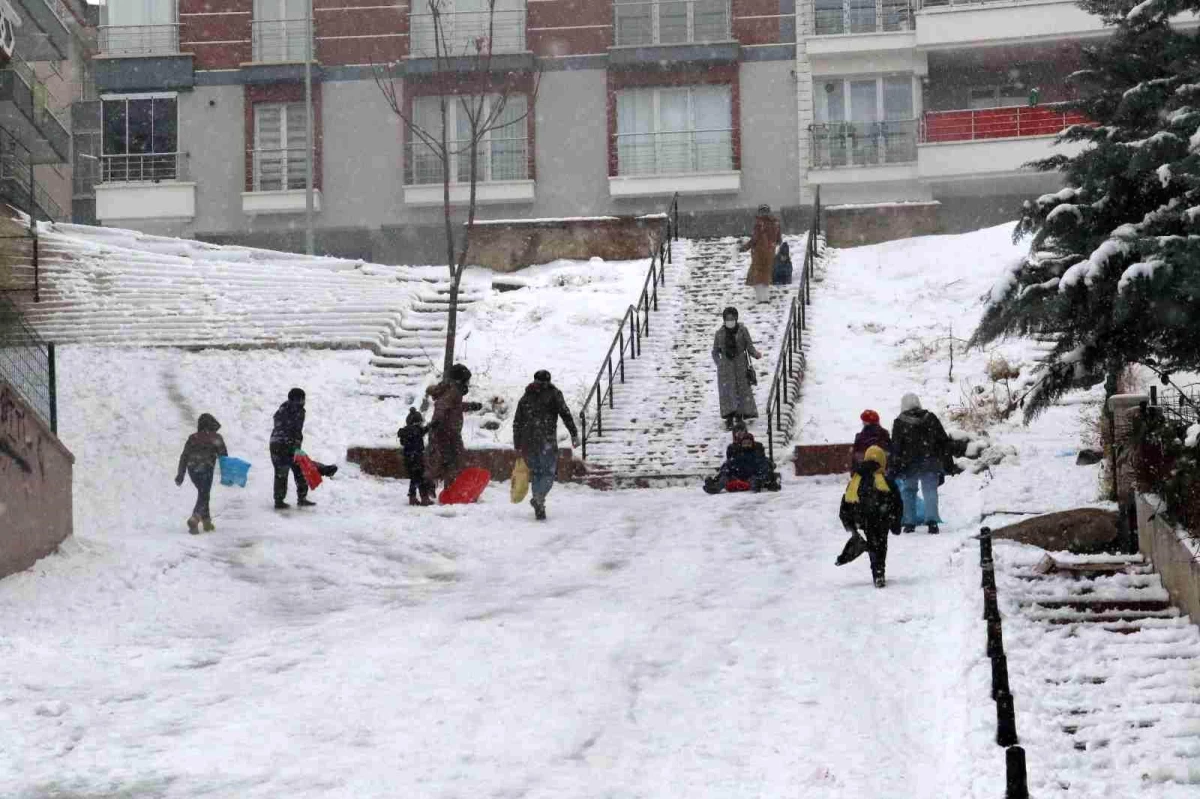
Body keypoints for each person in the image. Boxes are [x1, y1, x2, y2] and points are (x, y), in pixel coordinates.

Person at [513, 369, 580, 521]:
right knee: (548, 473)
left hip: (528, 443)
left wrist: (518, 444)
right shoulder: (553, 394)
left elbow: (517, 422)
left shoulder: (526, 396)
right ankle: (539, 497)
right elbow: (565, 414)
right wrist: (574, 433)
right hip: (546, 441)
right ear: (548, 381)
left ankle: (539, 502)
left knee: (537, 473)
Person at [839, 445, 903, 588]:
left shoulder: (855, 481)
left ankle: (876, 569)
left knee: (872, 543)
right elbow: (897, 502)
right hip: (882, 519)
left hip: (863, 520)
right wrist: (896, 522)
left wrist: (849, 523)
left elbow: (846, 503)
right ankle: (879, 571)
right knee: (881, 544)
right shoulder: (886, 482)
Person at [890, 392, 950, 534]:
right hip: (930, 461)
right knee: (930, 490)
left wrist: (894, 467)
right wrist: (945, 461)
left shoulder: (900, 422)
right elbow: (943, 440)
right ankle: (932, 522)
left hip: (908, 463)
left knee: (909, 491)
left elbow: (896, 447)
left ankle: (909, 523)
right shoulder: (930, 418)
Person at [426, 363, 483, 491]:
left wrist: (471, 406)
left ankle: (443, 487)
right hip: (446, 431)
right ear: (460, 379)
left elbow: (454, 406)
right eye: (467, 380)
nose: (468, 383)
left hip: (446, 431)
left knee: (444, 461)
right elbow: (442, 405)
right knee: (453, 461)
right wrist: (437, 422)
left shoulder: (451, 389)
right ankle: (448, 489)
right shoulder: (454, 390)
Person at [175, 412, 228, 534]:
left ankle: (207, 522)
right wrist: (227, 474)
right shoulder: (216, 437)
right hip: (206, 468)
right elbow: (224, 457)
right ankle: (195, 518)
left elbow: (184, 456)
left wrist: (181, 474)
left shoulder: (193, 437)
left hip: (192, 469)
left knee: (203, 493)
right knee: (204, 494)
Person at [712, 306, 763, 430]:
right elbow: (715, 351)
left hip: (740, 364)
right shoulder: (719, 333)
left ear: (736, 318)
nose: (730, 321)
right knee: (727, 392)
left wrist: (756, 354)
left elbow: (749, 346)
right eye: (727, 318)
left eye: (732, 318)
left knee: (742, 389)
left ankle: (740, 415)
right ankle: (729, 417)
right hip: (726, 367)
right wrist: (719, 363)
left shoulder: (742, 330)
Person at [270, 387, 314, 510]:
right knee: (282, 473)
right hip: (280, 445)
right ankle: (279, 501)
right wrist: (289, 444)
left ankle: (302, 498)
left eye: (303, 399)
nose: (303, 401)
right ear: (294, 399)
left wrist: (296, 446)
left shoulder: (297, 410)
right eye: (301, 399)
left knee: (300, 470)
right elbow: (284, 429)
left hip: (291, 445)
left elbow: (296, 431)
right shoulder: (287, 410)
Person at [705, 423, 780, 493]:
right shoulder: (736, 453)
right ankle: (716, 487)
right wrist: (723, 475)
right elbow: (729, 465)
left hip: (751, 476)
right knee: (725, 477)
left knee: (756, 479)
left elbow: (762, 466)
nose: (746, 445)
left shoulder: (756, 453)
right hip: (738, 476)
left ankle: (757, 485)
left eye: (749, 443)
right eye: (744, 443)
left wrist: (762, 477)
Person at [740, 203, 782, 303]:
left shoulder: (759, 224)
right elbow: (779, 240)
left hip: (759, 253)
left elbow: (754, 239)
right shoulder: (776, 223)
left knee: (758, 276)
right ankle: (766, 298)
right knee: (766, 275)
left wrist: (744, 248)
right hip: (770, 253)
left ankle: (760, 299)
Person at [398, 407, 434, 506]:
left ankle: (412, 498)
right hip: (416, 458)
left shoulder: (407, 431)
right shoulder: (416, 430)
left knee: (414, 478)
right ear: (417, 422)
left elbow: (421, 431)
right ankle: (424, 498)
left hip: (408, 459)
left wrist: (429, 426)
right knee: (421, 478)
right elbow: (422, 431)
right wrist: (431, 425)